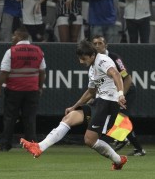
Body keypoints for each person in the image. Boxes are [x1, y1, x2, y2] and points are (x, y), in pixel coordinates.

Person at [21, 39, 128, 170]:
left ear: (92, 55)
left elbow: (116, 74)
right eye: (80, 58)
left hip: (109, 104)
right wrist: (74, 106)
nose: (81, 62)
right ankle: (39, 147)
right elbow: (91, 92)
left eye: (83, 58)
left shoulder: (102, 60)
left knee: (89, 140)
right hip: (99, 102)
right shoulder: (92, 68)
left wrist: (121, 94)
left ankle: (118, 160)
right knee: (69, 117)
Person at [92, 35, 146, 156]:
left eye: (100, 43)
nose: (97, 46)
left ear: (106, 45)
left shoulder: (114, 58)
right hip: (111, 93)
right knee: (118, 118)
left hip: (126, 91)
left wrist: (121, 96)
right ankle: (136, 147)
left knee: (120, 117)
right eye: (94, 44)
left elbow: (127, 78)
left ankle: (121, 140)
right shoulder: (94, 59)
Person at [0, 27, 46, 151]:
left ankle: (6, 144)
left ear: (18, 36)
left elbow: (4, 72)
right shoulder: (38, 51)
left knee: (10, 118)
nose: (12, 38)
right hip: (32, 90)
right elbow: (42, 72)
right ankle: (32, 146)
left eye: (14, 36)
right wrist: (39, 87)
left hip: (14, 90)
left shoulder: (11, 51)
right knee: (30, 118)